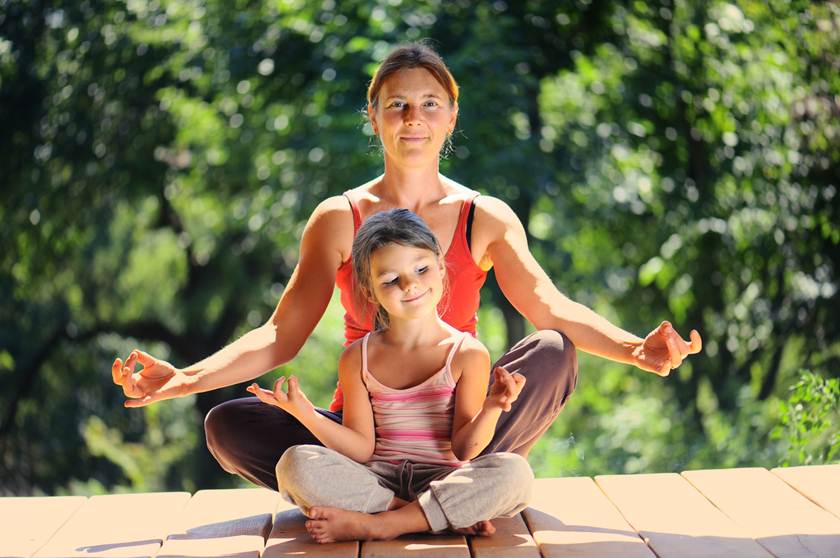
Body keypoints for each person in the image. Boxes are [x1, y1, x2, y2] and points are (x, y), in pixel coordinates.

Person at [111, 42, 702, 491]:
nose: (412, 117)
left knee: (551, 351)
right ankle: (400, 494)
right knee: (229, 425)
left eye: (429, 105)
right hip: (364, 439)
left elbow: (550, 306)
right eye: (397, 105)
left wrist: (634, 348)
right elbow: (280, 335)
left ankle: (452, 482)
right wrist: (185, 379)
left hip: (462, 427)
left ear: (449, 118)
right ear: (374, 117)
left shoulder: (484, 216)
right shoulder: (338, 217)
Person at [246, 208, 533, 542]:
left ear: (441, 268)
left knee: (515, 474)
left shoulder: (467, 354)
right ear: (369, 290)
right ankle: (417, 514)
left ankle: (380, 523)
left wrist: (493, 406)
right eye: (391, 279)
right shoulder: (358, 357)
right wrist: (304, 413)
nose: (410, 284)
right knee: (294, 464)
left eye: (422, 269)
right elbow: (362, 449)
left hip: (442, 478)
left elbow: (465, 450)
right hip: (379, 481)